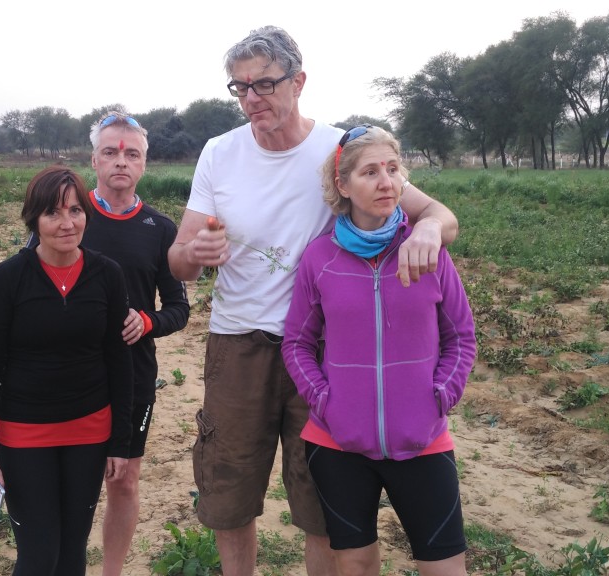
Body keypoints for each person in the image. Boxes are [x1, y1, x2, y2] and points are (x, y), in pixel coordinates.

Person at [166, 26, 460, 576]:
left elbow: (439, 215)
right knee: (228, 491)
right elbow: (178, 259)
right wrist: (196, 252)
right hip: (239, 344)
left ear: (298, 82)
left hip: (326, 352)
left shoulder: (338, 149)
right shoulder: (219, 153)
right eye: (240, 88)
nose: (252, 99)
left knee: (322, 501)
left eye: (264, 84)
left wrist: (426, 232)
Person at [0, 112, 190, 575]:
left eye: (132, 154)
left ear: (145, 163)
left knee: (124, 482)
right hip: (40, 399)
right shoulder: (65, 208)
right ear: (95, 159)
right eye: (110, 152)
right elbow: (26, 279)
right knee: (42, 544)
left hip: (123, 381)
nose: (120, 162)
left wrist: (147, 321)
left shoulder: (160, 228)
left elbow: (179, 308)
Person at [281, 124, 476, 576]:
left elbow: (461, 336)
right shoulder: (320, 257)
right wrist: (327, 402)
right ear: (343, 185)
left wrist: (440, 395)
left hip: (423, 438)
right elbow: (298, 343)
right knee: (356, 567)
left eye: (392, 169)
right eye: (370, 172)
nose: (386, 182)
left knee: (445, 569)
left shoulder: (426, 250)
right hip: (338, 443)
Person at [0, 165, 134, 576]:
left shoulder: (106, 275)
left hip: (89, 431)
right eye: (53, 213)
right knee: (39, 555)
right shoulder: (8, 279)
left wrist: (120, 443)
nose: (67, 223)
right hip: (24, 435)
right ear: (34, 219)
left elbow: (119, 360)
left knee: (72, 551)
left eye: (75, 211)